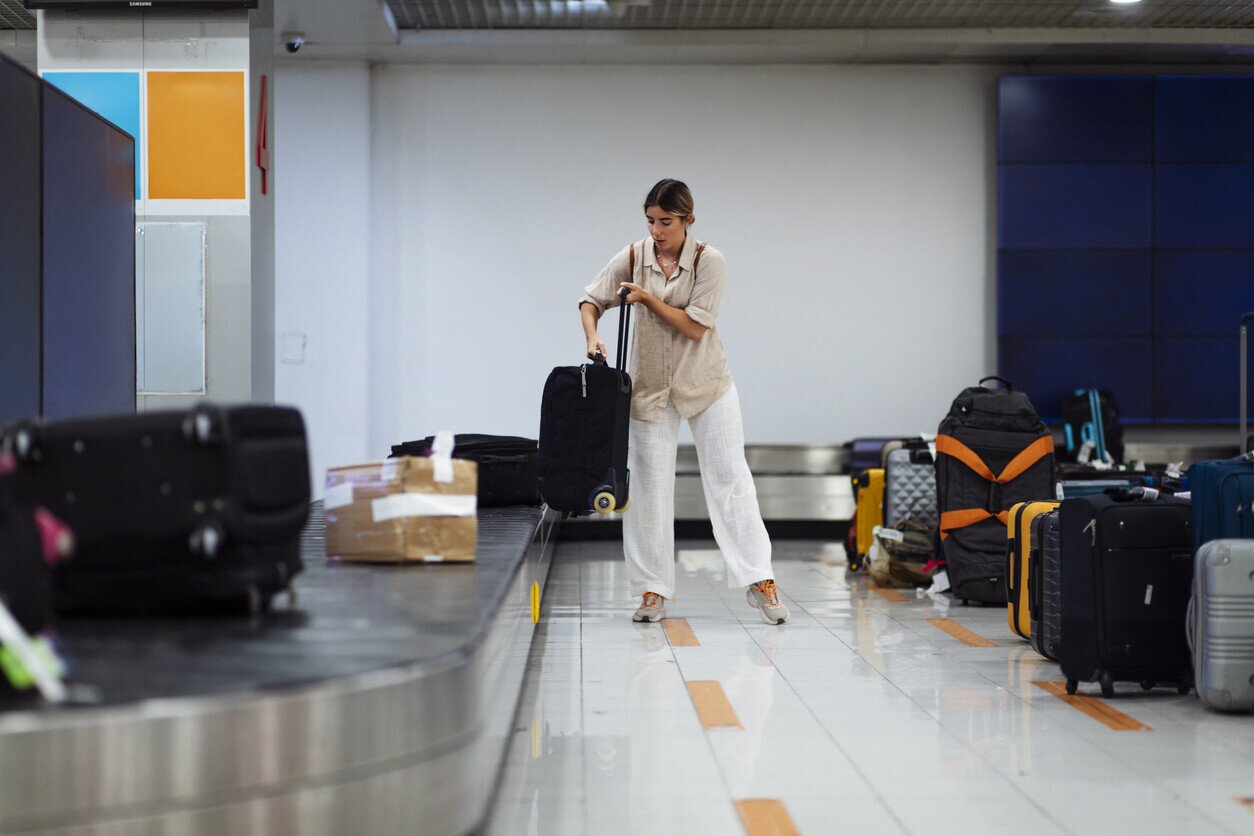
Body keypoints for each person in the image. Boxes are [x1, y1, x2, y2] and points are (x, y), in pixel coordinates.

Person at [577, 179, 789, 626]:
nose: (657, 230)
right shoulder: (634, 256)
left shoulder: (709, 262)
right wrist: (593, 336)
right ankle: (652, 590)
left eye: (666, 222)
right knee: (650, 488)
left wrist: (648, 299)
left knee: (731, 479)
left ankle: (760, 580)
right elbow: (591, 299)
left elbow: (695, 328)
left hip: (706, 385)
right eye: (651, 221)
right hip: (650, 389)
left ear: (688, 220)